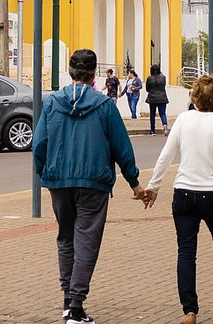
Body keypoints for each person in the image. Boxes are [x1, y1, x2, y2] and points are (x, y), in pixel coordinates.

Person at [33, 48, 144, 324]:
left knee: (66, 238)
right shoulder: (104, 106)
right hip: (93, 181)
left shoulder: (52, 103)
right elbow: (122, 147)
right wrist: (134, 182)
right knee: (86, 242)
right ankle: (75, 305)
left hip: (59, 180)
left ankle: (66, 298)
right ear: (94, 74)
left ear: (71, 72)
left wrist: (46, 174)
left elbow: (39, 145)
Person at [142, 75, 213, 324]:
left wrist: (153, 187)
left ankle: (189, 311)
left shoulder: (184, 119)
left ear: (195, 97)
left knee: (186, 252)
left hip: (184, 194)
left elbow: (166, 156)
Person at [145, 64, 169, 135]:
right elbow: (164, 86)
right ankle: (165, 125)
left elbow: (147, 89)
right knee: (162, 113)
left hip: (152, 98)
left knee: (152, 114)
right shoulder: (163, 77)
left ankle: (152, 130)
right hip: (162, 97)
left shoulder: (149, 78)